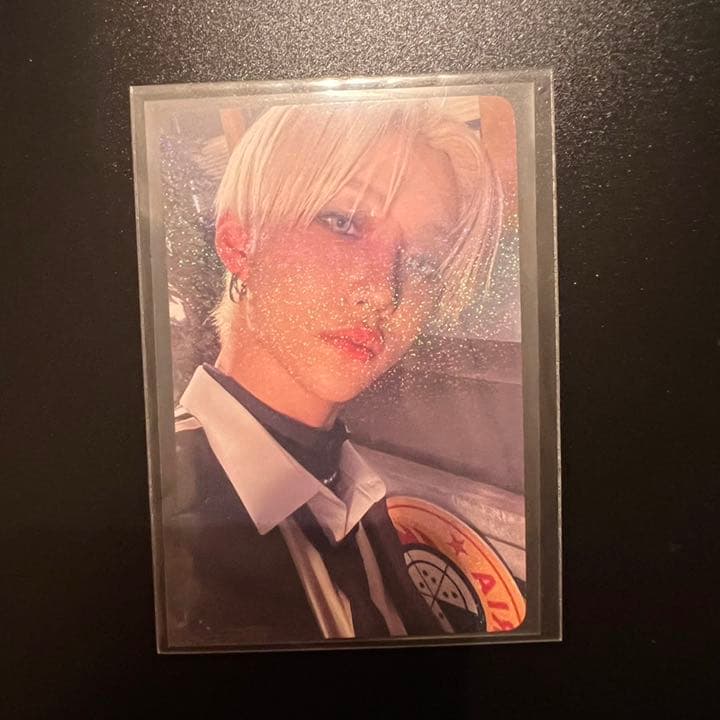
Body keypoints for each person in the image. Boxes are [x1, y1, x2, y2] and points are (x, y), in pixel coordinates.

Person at [162, 98, 503, 648]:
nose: (384, 292)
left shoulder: (355, 492)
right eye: (343, 222)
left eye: (422, 262)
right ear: (239, 244)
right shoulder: (164, 523)